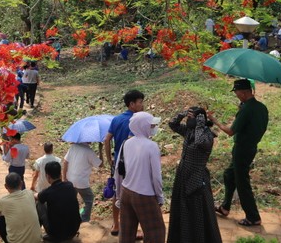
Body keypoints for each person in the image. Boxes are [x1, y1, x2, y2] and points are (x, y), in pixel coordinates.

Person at [210, 78, 269, 227]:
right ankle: (225, 207)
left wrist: (213, 120)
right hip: (251, 147)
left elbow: (230, 131)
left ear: (243, 93)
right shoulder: (261, 107)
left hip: (242, 149)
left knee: (242, 183)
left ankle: (253, 217)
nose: (236, 95)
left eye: (236, 92)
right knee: (229, 175)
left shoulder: (247, 109)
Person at [167, 107, 222, 243]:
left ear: (200, 120)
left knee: (197, 210)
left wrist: (201, 124)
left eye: (191, 118)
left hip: (196, 177)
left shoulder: (207, 136)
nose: (188, 120)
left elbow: (200, 142)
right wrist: (182, 113)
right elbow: (172, 124)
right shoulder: (188, 131)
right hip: (183, 175)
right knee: (183, 208)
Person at [115, 112, 165, 243]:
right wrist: (159, 196)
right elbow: (156, 176)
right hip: (145, 195)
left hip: (126, 191)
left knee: (126, 232)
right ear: (143, 126)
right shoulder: (151, 146)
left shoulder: (126, 143)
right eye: (152, 125)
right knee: (156, 231)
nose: (154, 127)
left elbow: (118, 170)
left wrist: (119, 195)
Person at [103, 89, 145, 236]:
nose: (142, 105)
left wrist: (109, 159)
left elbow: (107, 139)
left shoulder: (116, 119)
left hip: (117, 163)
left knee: (117, 192)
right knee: (135, 193)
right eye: (140, 102)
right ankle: (133, 228)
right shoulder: (137, 121)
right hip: (134, 163)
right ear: (131, 104)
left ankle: (116, 224)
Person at [36, 161, 81, 242]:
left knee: (39, 203)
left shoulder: (48, 192)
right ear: (60, 174)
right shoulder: (70, 186)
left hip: (56, 234)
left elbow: (37, 197)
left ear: (48, 176)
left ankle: (38, 234)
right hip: (73, 230)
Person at [0, 173, 41, 243]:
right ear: (21, 184)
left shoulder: (3, 201)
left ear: (6, 186)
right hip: (37, 240)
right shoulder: (29, 193)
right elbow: (36, 197)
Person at [63, 142, 101, 222]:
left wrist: (64, 177)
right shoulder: (89, 151)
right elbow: (100, 164)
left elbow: (65, 162)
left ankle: (70, 217)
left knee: (71, 199)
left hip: (70, 179)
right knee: (89, 199)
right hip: (81, 182)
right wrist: (100, 150)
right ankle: (84, 219)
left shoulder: (73, 147)